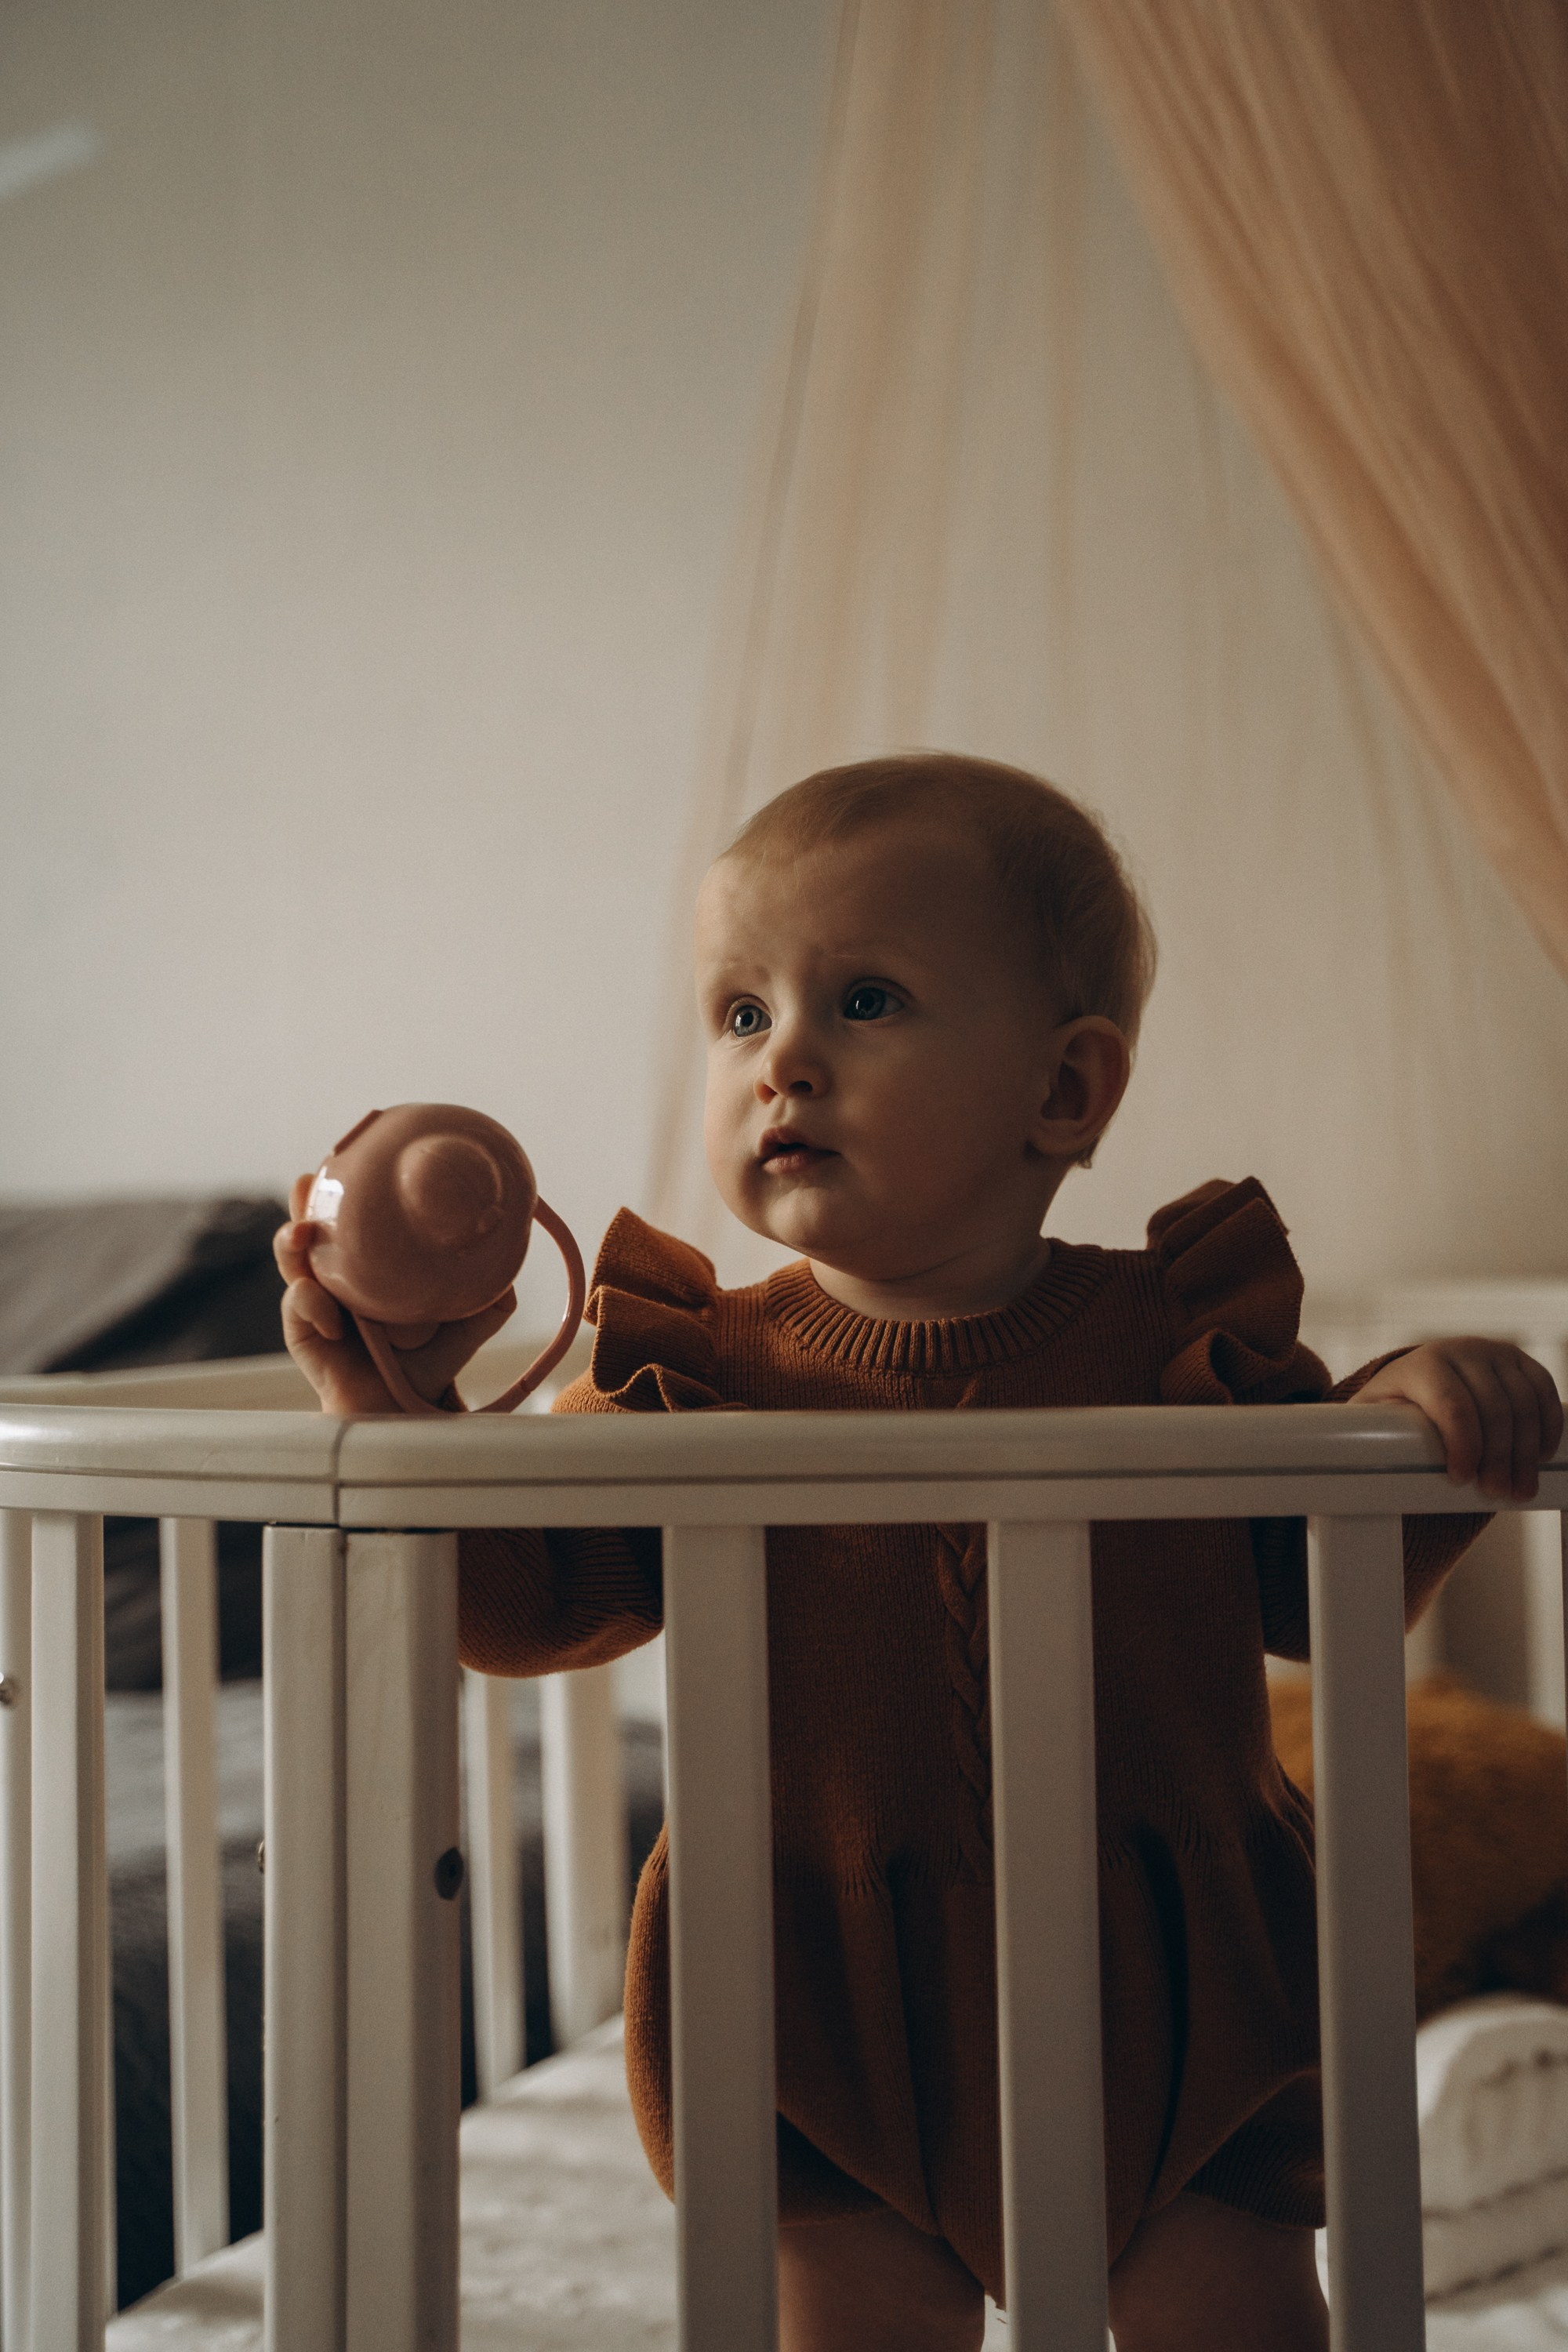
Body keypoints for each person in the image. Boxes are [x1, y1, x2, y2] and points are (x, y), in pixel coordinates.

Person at [274, 753, 1563, 2351]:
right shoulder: (695, 1371)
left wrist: (1414, 1420)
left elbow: (1318, 1575)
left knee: (1228, 2313)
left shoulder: (1175, 1344)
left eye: (863, 1000)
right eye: (740, 1014)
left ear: (1065, 1091)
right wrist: (394, 1415)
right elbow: (524, 1600)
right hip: (808, 1991)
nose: (781, 1064)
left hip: (1172, 1987)